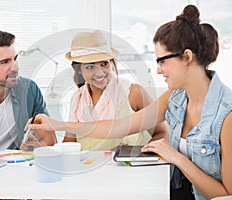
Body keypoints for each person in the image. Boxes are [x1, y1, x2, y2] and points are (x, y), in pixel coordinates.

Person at [29, 5, 232, 200]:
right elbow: (118, 127)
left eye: (162, 61)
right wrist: (56, 125)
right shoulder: (174, 98)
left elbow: (226, 194)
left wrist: (177, 158)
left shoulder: (227, 114)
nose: (159, 70)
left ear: (187, 57)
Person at [63, 30, 168, 150]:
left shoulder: (134, 93)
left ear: (112, 63)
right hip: (90, 167)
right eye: (90, 67)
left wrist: (139, 154)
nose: (99, 73)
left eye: (104, 64)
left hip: (129, 168)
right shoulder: (77, 99)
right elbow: (69, 142)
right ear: (79, 69)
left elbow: (161, 134)